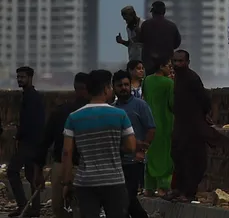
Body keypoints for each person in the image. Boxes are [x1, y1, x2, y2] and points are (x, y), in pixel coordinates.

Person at [61, 70, 136, 218]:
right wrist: (114, 147)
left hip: (86, 182)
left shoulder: (74, 117)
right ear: (106, 89)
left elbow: (67, 152)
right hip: (114, 180)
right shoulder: (120, 115)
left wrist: (66, 182)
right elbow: (131, 147)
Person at [167, 50, 219, 203]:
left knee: (192, 159)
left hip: (192, 126)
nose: (177, 64)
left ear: (187, 62)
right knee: (177, 156)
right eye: (175, 61)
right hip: (180, 124)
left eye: (180, 61)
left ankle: (189, 193)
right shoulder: (177, 79)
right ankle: (178, 189)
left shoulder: (192, 78)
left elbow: (204, 100)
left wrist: (202, 117)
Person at [42, 72, 90, 218]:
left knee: (64, 207)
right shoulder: (93, 112)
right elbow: (45, 141)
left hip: (72, 164)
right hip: (76, 164)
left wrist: (38, 166)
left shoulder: (62, 111)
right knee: (69, 207)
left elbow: (45, 142)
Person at [112, 71, 155, 218]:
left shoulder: (140, 105)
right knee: (125, 200)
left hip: (134, 161)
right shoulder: (112, 109)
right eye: (120, 85)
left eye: (126, 84)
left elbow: (151, 129)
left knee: (126, 198)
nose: (123, 88)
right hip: (117, 162)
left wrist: (142, 151)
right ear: (113, 87)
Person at [6, 67, 44, 217]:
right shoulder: (29, 96)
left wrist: (19, 137)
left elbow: (30, 122)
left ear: (30, 77)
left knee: (12, 171)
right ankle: (34, 209)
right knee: (30, 175)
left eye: (22, 77)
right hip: (32, 142)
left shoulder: (32, 97)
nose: (19, 80)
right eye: (18, 77)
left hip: (30, 143)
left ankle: (24, 206)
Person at [141, 59, 175, 195]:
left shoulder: (147, 80)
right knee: (166, 156)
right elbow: (172, 104)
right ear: (161, 66)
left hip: (148, 123)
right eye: (169, 66)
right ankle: (163, 186)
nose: (171, 69)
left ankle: (148, 187)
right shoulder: (169, 83)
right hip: (165, 123)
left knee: (150, 155)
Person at [137, 2, 181, 73]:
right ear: (164, 12)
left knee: (151, 82)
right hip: (166, 63)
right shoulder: (172, 26)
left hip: (149, 64)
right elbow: (177, 43)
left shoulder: (146, 25)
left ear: (153, 12)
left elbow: (140, 40)